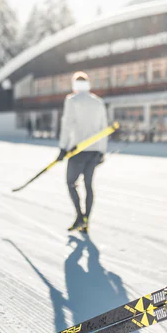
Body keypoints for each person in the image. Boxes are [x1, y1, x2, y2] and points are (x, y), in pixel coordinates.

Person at [57, 72, 108, 233]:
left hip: (78, 150)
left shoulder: (72, 100)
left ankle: (80, 216)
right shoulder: (98, 102)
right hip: (94, 151)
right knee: (88, 185)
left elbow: (67, 124)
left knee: (71, 183)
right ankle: (85, 221)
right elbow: (103, 127)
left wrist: (62, 147)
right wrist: (102, 151)